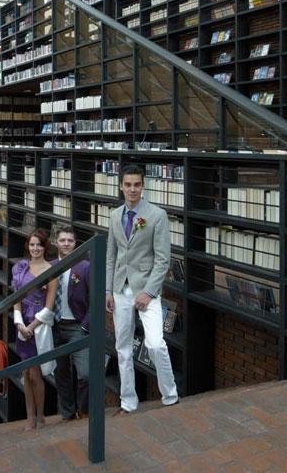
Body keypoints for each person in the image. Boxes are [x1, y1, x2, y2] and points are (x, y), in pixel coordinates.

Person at [105, 163, 179, 415]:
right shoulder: (115, 216)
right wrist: (107, 291)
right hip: (119, 290)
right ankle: (128, 401)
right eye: (128, 185)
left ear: (143, 185)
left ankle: (169, 393)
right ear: (121, 186)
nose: (132, 189)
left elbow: (162, 259)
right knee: (123, 348)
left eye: (137, 184)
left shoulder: (156, 215)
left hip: (147, 290)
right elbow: (110, 257)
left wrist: (148, 292)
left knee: (156, 343)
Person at [11, 228, 57, 430]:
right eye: (32, 244)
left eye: (39, 244)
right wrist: (19, 324)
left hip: (38, 326)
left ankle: (40, 415)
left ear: (45, 247)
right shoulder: (20, 268)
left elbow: (50, 305)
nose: (35, 248)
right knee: (26, 374)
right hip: (22, 326)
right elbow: (16, 300)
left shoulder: (51, 269)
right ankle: (30, 416)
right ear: (27, 246)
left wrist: (31, 326)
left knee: (35, 374)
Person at [51, 224, 91, 421]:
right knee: (61, 373)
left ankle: (83, 411)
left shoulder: (84, 267)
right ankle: (68, 414)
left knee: (85, 374)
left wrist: (85, 325)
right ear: (56, 242)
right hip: (55, 328)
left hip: (77, 327)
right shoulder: (49, 267)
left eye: (70, 240)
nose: (66, 244)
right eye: (62, 240)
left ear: (76, 244)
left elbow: (95, 298)